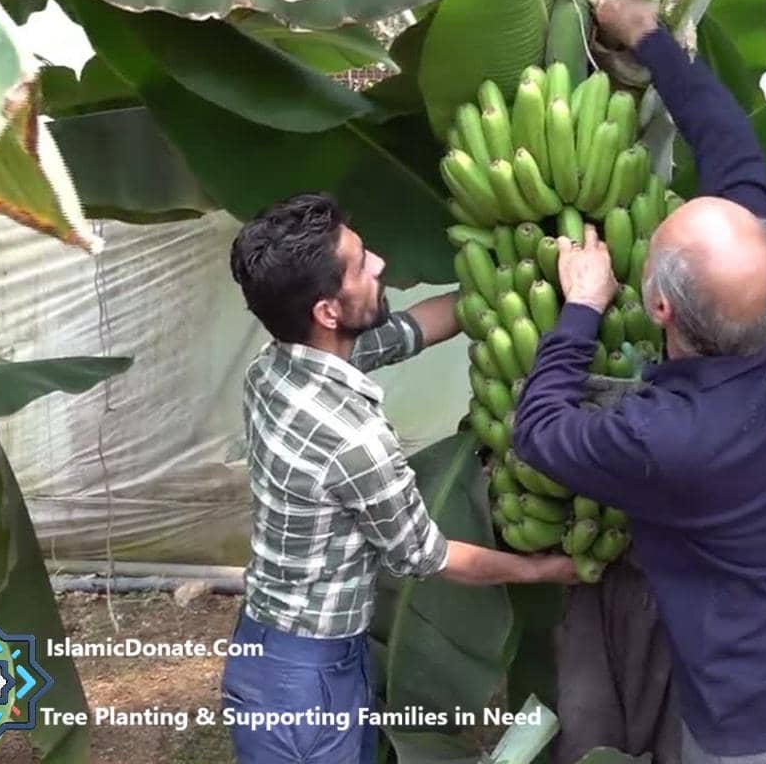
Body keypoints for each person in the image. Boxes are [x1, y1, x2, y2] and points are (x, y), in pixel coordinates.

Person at [513, 0, 766, 762]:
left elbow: (539, 429)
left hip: (756, 731)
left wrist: (578, 310)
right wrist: (646, 38)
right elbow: (732, 146)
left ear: (660, 307)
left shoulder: (664, 437)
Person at [222, 192, 577, 764]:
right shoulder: (353, 439)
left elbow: (411, 329)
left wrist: (509, 283)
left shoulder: (274, 367)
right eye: (362, 264)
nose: (381, 265)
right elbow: (426, 555)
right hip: (305, 681)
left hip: (273, 642)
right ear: (327, 312)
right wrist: (540, 568)